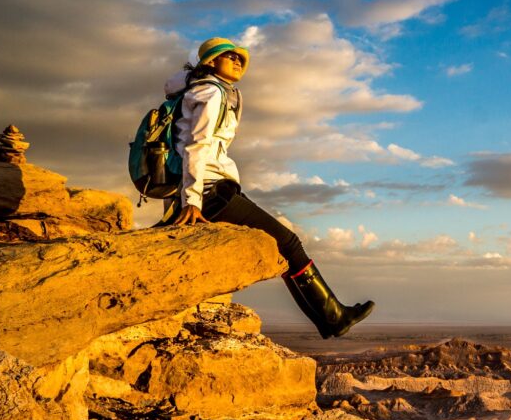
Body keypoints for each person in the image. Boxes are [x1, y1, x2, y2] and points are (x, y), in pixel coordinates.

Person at [160, 37, 373, 339]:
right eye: (228, 55)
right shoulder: (211, 92)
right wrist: (192, 200)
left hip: (213, 186)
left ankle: (331, 318)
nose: (237, 60)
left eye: (240, 57)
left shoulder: (208, 90)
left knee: (283, 244)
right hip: (209, 191)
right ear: (210, 61)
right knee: (289, 242)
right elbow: (197, 146)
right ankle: (333, 317)